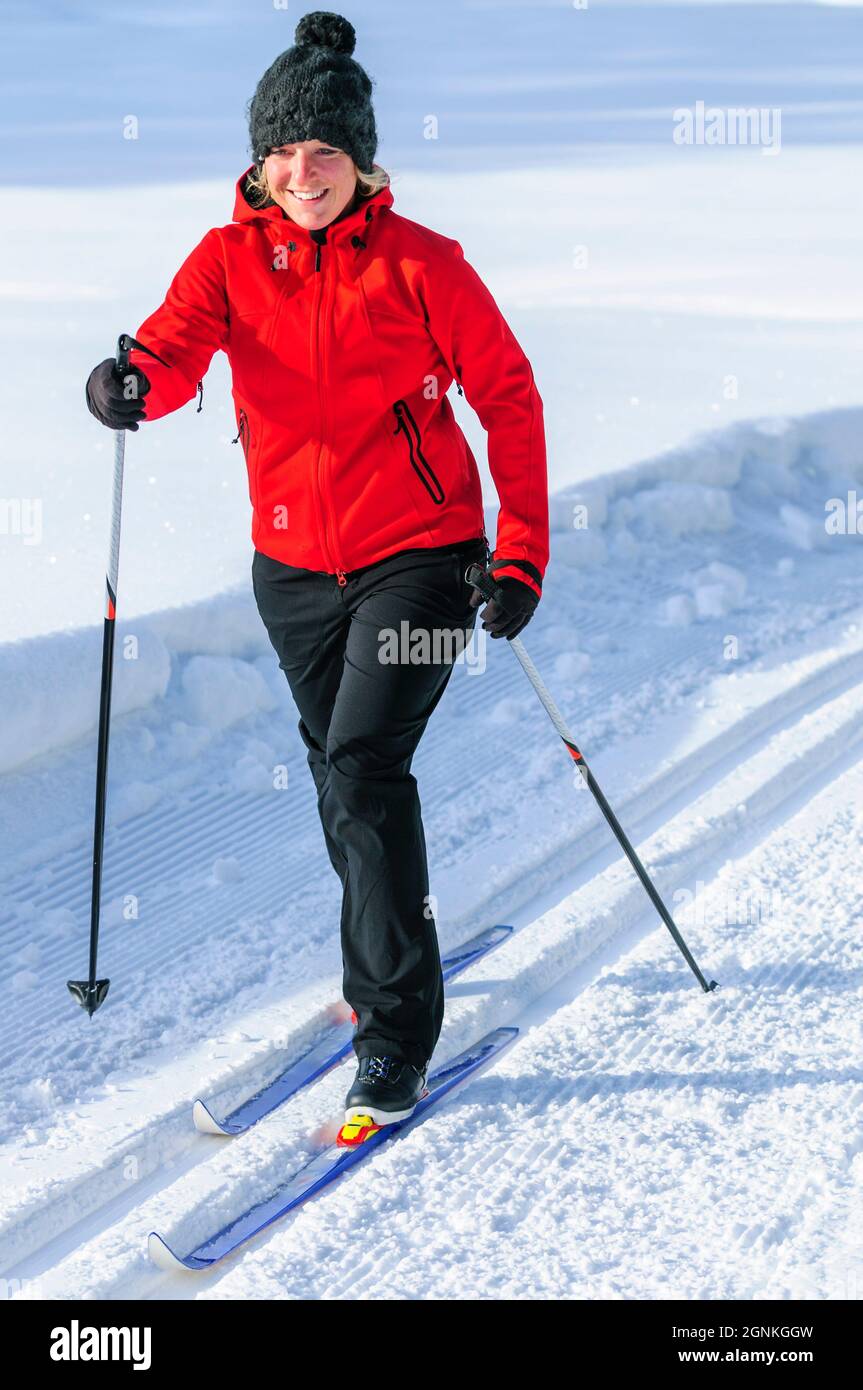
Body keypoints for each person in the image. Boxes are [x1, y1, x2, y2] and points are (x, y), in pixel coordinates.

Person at [85, 10, 549, 1125]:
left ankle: (393, 1029)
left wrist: (520, 552)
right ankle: (384, 944)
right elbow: (171, 346)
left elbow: (507, 399)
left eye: (325, 152)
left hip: (428, 563)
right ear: (259, 162)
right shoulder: (228, 259)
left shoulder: (423, 265)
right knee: (339, 778)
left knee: (362, 765)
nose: (304, 173)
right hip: (289, 571)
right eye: (284, 153)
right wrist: (130, 381)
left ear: (361, 158)